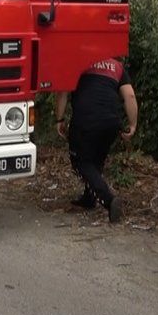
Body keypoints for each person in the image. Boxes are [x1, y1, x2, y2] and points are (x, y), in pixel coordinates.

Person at [54, 56, 138, 223]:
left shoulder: (77, 61)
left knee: (81, 161)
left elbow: (63, 92)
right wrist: (132, 124)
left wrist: (59, 119)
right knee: (96, 160)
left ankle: (109, 200)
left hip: (86, 120)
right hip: (111, 123)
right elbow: (129, 96)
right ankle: (89, 197)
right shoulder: (117, 67)